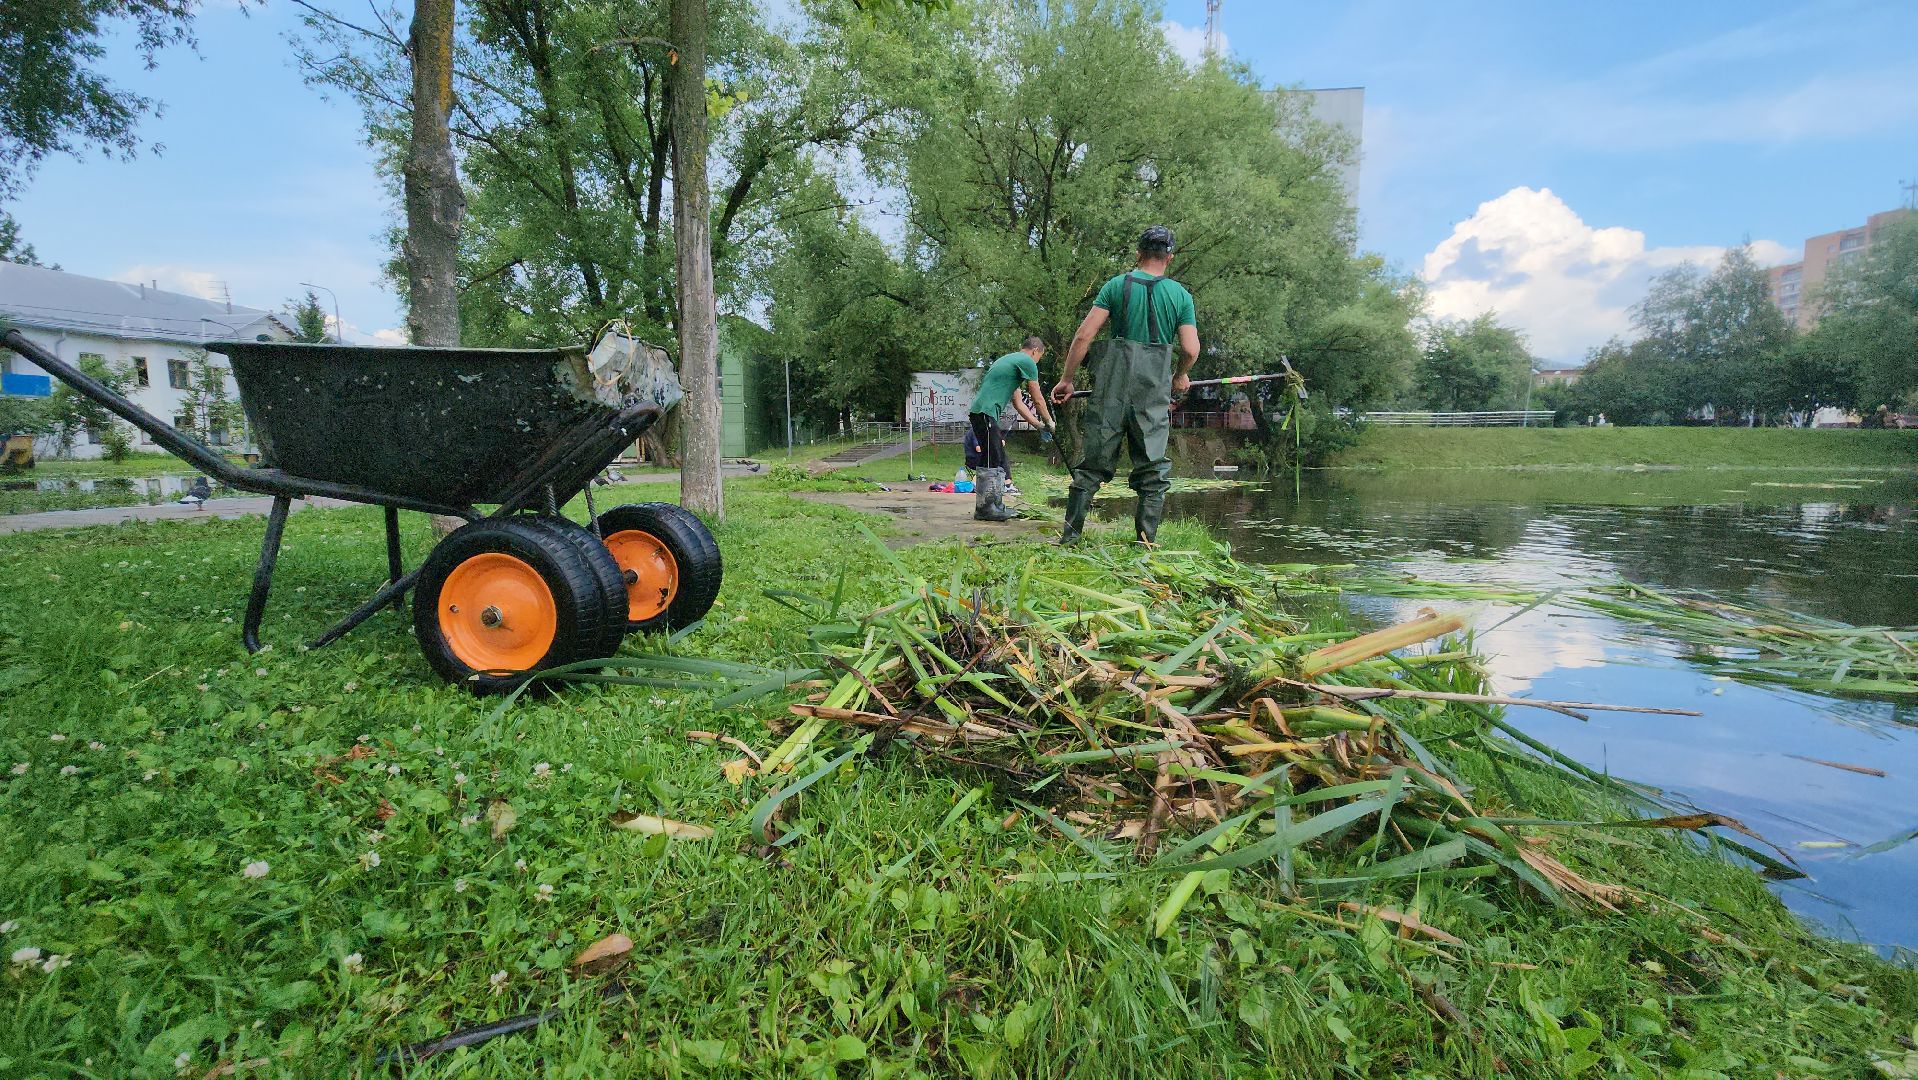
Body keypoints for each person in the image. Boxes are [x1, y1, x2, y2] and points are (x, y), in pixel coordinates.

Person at [1049, 225, 1198, 544]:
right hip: (1152, 395)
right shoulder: (1180, 296)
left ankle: (1070, 538)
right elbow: (1190, 349)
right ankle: (1145, 545)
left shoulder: (1116, 286)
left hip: (1112, 391)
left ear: (1138, 254)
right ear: (1169, 258)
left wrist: (1067, 379)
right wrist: (1180, 375)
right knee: (1152, 472)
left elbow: (1083, 336)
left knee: (1092, 466)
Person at [967, 336, 1056, 490]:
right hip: (986, 413)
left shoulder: (1009, 361)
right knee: (993, 459)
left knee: (989, 457)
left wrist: (1038, 425)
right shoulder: (1027, 361)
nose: (1036, 364)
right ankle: (989, 506)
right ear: (1035, 351)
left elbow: (1018, 404)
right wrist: (1049, 421)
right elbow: (1037, 398)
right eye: (1038, 359)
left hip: (978, 413)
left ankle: (985, 505)